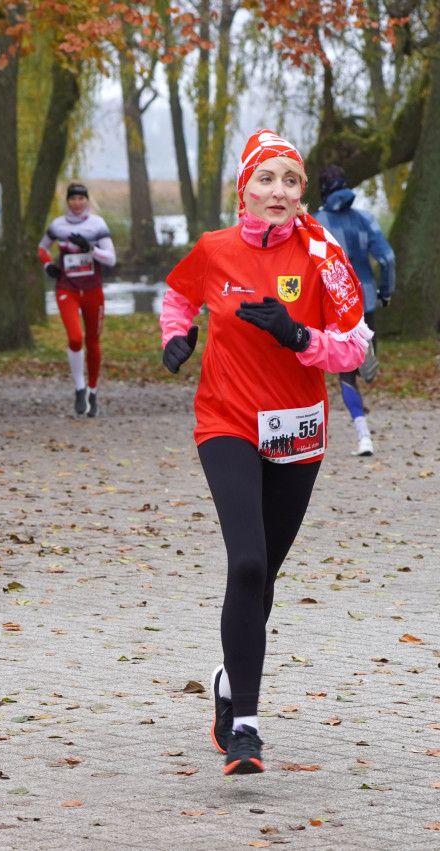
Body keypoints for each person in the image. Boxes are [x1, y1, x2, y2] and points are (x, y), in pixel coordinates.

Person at [159, 130, 371, 775]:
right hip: (224, 421)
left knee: (264, 577)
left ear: (301, 193)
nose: (277, 190)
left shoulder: (322, 255)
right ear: (244, 189)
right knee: (246, 563)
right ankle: (245, 725)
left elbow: (356, 347)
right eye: (266, 178)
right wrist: (177, 333)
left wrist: (299, 334)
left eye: (290, 180)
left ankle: (229, 677)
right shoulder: (213, 249)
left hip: (297, 430)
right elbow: (176, 296)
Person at [312, 165, 395, 456]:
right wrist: (387, 291)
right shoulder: (366, 219)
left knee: (345, 374)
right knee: (363, 363)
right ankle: (366, 353)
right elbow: (387, 258)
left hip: (336, 306)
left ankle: (363, 436)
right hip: (367, 300)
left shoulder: (315, 223)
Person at [38, 182, 117, 417]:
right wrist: (48, 265)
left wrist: (90, 248)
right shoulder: (57, 225)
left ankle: (93, 390)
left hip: (93, 289)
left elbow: (111, 258)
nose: (76, 203)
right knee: (75, 337)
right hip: (67, 288)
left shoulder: (97, 225)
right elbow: (42, 248)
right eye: (72, 199)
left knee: (92, 342)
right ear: (67, 201)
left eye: (81, 199)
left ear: (87, 201)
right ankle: (79, 389)